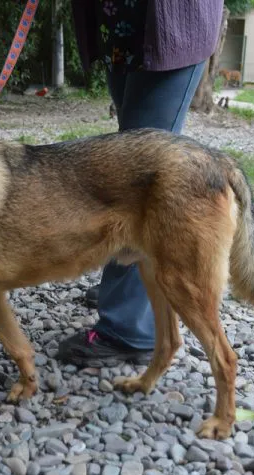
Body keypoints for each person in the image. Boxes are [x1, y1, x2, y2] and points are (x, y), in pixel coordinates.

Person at [56, 0, 225, 367]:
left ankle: (128, 329)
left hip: (173, 24)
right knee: (128, 154)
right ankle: (127, 293)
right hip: (126, 30)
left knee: (140, 174)